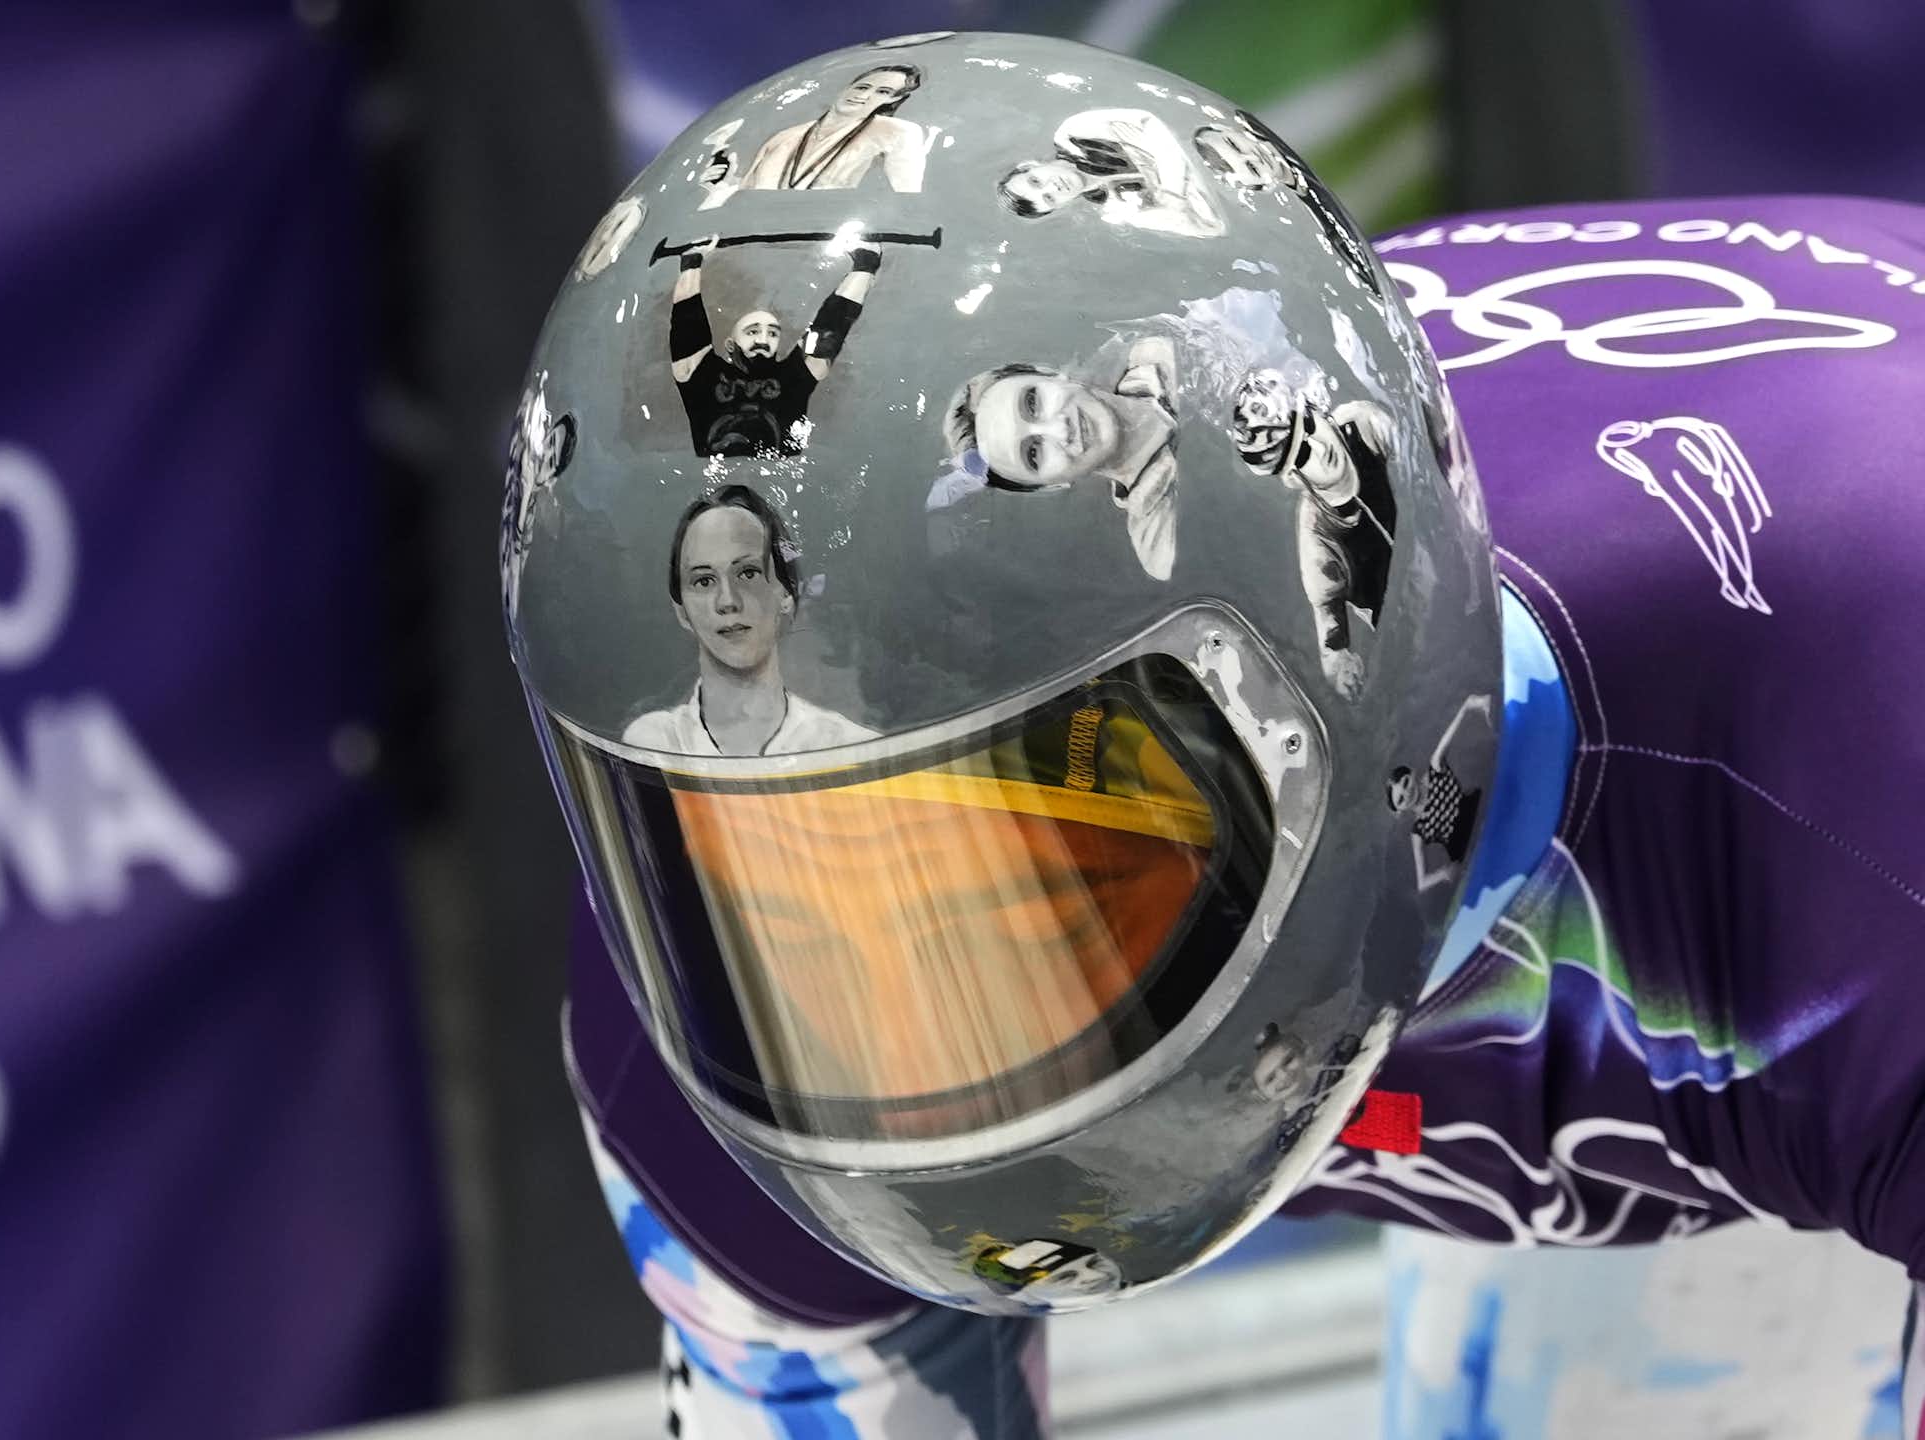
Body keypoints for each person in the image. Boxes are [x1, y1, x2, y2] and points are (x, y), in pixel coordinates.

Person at [509, 35, 1925, 1440]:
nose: (898, 1026)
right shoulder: (698, 882)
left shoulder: (1869, 794)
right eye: (791, 893)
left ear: (1334, 685)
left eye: (1058, 867)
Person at [623, 485, 874, 757]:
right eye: (704, 581)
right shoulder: (653, 744)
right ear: (681, 611)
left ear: (786, 593)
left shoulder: (850, 747)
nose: (727, 601)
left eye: (747, 573)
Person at [942, 337, 1179, 579]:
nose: (1060, 429)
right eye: (1033, 454)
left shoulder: (1160, 349)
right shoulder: (1160, 549)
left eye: (1032, 403)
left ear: (1051, 374)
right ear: (1052, 486)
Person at [1231, 370, 1399, 697]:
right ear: (1291, 478)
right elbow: (1331, 638)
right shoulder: (1317, 537)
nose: (1319, 449)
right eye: (1302, 454)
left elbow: (1423, 477)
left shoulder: (1363, 425)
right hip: (1402, 621)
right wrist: (1341, 667)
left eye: (1308, 424)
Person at [668, 238, 880, 457]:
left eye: (772, 333)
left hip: (780, 468)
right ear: (730, 344)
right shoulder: (702, 374)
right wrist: (692, 264)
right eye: (752, 332)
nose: (763, 339)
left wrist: (866, 264)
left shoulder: (793, 376)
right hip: (720, 467)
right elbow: (687, 324)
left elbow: (831, 326)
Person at [997, 108, 1220, 237]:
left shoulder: (1074, 133)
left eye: (1035, 181)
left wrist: (1172, 192)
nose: (1053, 187)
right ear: (1060, 206)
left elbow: (1154, 120)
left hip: (1212, 132)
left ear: (1030, 165)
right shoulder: (1121, 206)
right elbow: (1210, 227)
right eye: (1049, 198)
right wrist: (1153, 157)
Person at [732, 65, 929, 197]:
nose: (864, 95)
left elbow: (905, 195)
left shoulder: (897, 132)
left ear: (894, 99)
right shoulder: (784, 137)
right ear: (846, 88)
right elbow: (744, 196)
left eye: (883, 91)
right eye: (862, 87)